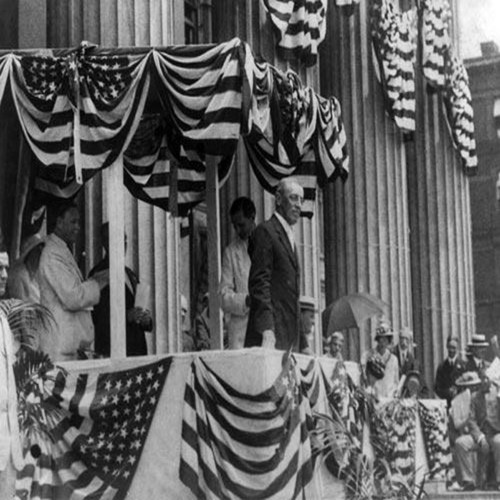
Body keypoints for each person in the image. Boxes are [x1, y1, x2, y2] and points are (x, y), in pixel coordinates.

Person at [38, 201, 108, 361]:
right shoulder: (52, 254)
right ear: (59, 222)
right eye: (73, 222)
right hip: (59, 348)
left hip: (68, 347)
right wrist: (98, 283)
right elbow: (73, 297)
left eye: (79, 222)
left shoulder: (61, 250)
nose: (77, 227)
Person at [245, 177, 303, 351]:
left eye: (301, 199)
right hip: (270, 335)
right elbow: (259, 283)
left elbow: (291, 296)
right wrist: (267, 329)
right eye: (293, 198)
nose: (299, 204)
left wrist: (304, 343)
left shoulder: (289, 236)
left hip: (290, 336)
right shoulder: (266, 232)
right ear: (278, 199)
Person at [89, 223, 152, 357]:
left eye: (125, 240)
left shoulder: (130, 273)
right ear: (106, 243)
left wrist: (146, 319)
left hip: (137, 351)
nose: (123, 245)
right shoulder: (98, 274)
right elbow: (97, 318)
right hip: (114, 352)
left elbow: (139, 307)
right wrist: (126, 317)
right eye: (118, 240)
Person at [0, 245, 23, 498]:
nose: (5, 274)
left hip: (7, 446)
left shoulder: (3, 322)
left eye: (6, 268)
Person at [453, 371, 500, 491]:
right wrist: (480, 437)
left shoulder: (497, 395)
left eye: (487, 378)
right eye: (482, 378)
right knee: (461, 443)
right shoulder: (475, 397)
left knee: (499, 442)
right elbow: (471, 420)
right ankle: (468, 480)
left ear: (492, 380)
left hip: (495, 433)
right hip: (480, 435)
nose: (484, 381)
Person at [219, 197, 256, 349]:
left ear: (252, 218)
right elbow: (223, 296)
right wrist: (245, 301)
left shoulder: (268, 245)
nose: (238, 230)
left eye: (241, 225)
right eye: (235, 226)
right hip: (242, 329)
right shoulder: (231, 252)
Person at [361, 321, 399, 399]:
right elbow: (363, 377)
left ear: (389, 341)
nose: (382, 343)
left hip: (389, 398)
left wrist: (395, 392)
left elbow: (396, 381)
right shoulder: (368, 356)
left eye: (385, 340)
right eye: (380, 339)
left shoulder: (393, 359)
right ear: (377, 340)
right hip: (373, 396)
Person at [7, 233, 45, 303]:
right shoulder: (18, 275)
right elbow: (20, 304)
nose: (41, 254)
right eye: (37, 250)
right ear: (30, 253)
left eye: (42, 250)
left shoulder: (37, 273)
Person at [435, 335, 467, 406]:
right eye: (450, 347)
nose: (451, 350)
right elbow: (437, 388)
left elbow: (467, 386)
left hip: (461, 404)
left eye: (454, 348)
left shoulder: (463, 366)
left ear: (457, 348)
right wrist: (447, 392)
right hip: (447, 404)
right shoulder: (441, 367)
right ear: (446, 347)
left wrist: (457, 391)